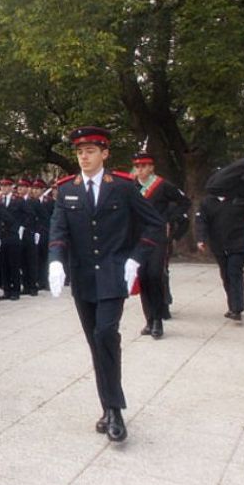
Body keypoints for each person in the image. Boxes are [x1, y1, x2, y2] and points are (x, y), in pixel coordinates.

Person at [48, 127, 164, 443]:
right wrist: (56, 260)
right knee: (95, 342)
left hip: (114, 274)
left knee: (105, 334)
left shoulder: (124, 187)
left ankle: (114, 410)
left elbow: (155, 224)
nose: (83, 157)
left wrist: (136, 257)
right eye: (79, 152)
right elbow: (58, 230)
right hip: (84, 278)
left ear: (105, 153)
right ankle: (107, 406)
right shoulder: (67, 189)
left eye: (90, 151)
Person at [131, 151, 192, 337]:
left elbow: (184, 202)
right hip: (137, 237)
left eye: (143, 166)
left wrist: (168, 219)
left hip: (157, 236)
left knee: (154, 275)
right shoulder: (131, 186)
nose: (140, 170)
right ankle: (149, 319)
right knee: (142, 277)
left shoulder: (162, 185)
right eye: (137, 166)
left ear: (151, 167)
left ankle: (158, 320)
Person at [195, 152, 244, 321]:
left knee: (234, 271)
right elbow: (201, 221)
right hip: (219, 242)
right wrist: (201, 238)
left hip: (238, 241)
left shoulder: (242, 198)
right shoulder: (209, 201)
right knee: (226, 273)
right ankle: (233, 305)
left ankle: (237, 308)